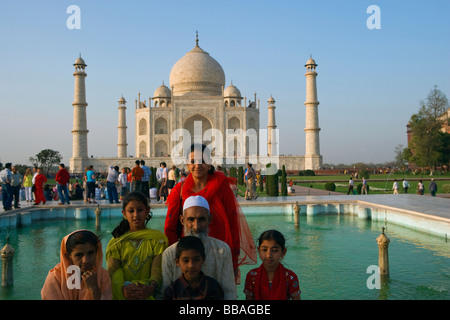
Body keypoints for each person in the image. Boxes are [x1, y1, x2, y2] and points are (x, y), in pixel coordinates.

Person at [165, 144, 257, 281]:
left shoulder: (221, 186)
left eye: (202, 160)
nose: (197, 165)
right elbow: (170, 227)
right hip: (188, 257)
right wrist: (175, 258)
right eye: (193, 161)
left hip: (217, 253)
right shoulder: (180, 190)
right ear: (187, 164)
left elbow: (232, 222)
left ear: (209, 163)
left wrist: (233, 258)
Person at [161, 195, 237, 300]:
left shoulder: (222, 250)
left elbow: (229, 293)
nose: (196, 226)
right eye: (191, 219)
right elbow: (164, 293)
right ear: (182, 220)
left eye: (201, 219)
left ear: (209, 219)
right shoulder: (170, 254)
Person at [105, 192, 168, 300]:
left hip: (148, 292)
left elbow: (157, 269)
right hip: (122, 293)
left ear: (147, 211)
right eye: (131, 211)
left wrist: (151, 287)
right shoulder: (116, 243)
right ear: (124, 213)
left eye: (140, 210)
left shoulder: (157, 240)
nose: (136, 215)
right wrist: (124, 288)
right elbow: (113, 272)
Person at [41, 229, 112, 300]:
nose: (86, 260)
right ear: (68, 256)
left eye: (90, 253)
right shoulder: (55, 278)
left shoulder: (102, 276)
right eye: (79, 255)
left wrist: (94, 288)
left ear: (96, 252)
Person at [244, 230, 301, 300]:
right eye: (264, 250)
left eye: (274, 250)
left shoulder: (290, 277)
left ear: (283, 252)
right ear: (259, 251)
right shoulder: (252, 276)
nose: (269, 255)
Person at [163, 236, 224, 300]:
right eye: (186, 261)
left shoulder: (213, 287)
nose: (191, 265)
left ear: (203, 260)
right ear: (177, 262)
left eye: (196, 260)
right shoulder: (171, 291)